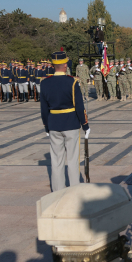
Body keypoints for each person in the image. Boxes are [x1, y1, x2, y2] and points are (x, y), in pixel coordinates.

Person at [40, 50, 89, 191]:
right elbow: (79, 107)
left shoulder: (45, 83)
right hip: (71, 124)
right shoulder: (72, 82)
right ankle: (74, 191)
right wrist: (85, 125)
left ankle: (58, 191)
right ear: (65, 64)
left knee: (56, 161)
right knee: (73, 160)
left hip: (54, 124)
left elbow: (44, 109)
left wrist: (46, 126)